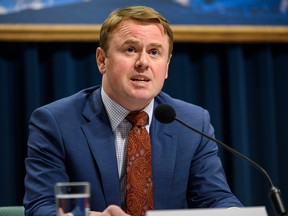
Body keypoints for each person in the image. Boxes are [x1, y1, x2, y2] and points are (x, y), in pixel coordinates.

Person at [23, 5, 243, 216]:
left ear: (166, 66)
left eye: (155, 52)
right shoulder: (56, 122)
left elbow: (214, 198)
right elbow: (40, 206)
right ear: (102, 60)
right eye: (130, 49)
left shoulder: (192, 122)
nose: (143, 62)